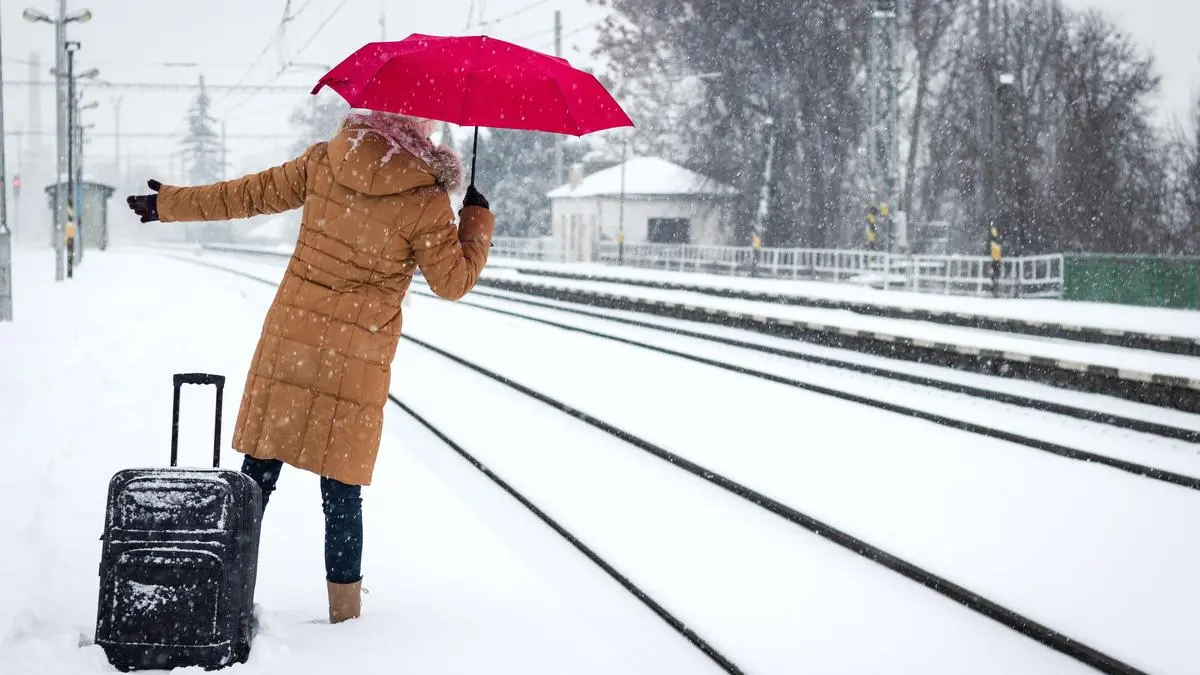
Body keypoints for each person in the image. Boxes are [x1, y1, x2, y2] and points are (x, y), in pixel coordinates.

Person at [126, 109, 493, 624]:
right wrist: (476, 224)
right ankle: (344, 619)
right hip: (357, 359)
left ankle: (216, 588)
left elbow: (246, 195)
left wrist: (168, 205)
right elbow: (452, 282)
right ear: (419, 129)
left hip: (292, 338)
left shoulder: (325, 161)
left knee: (256, 479)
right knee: (341, 492)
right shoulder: (426, 201)